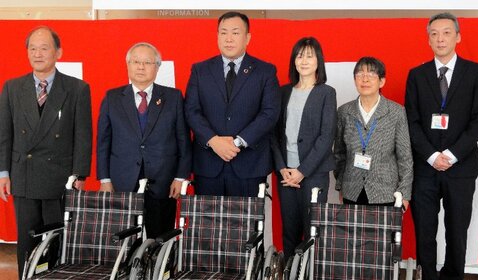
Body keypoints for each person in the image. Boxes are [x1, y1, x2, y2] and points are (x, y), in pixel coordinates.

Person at [0, 26, 92, 279]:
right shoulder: (12, 87)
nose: (37, 54)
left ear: (58, 52)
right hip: (24, 175)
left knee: (57, 239)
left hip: (60, 178)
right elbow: (4, 134)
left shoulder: (77, 89)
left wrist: (80, 175)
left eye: (44, 48)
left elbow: (83, 135)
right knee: (27, 240)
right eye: (32, 48)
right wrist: (3, 173)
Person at [405, 13, 478, 280]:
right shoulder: (416, 75)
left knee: (457, 231)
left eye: (446, 32)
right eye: (434, 33)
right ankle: (427, 276)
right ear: (428, 39)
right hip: (425, 168)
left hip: (461, 167)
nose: (440, 38)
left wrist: (451, 155)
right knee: (425, 232)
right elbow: (412, 121)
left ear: (458, 37)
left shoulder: (476, 73)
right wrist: (431, 156)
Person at [96, 42, 191, 239]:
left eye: (147, 62)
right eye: (136, 61)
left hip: (164, 181)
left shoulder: (173, 98)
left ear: (157, 66)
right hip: (122, 180)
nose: (141, 67)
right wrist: (105, 180)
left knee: (161, 238)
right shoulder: (112, 98)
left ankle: (159, 270)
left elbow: (184, 140)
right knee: (124, 238)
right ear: (128, 65)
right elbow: (103, 142)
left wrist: (180, 177)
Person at [184, 11, 280, 197]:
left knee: (246, 225)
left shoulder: (265, 71)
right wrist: (214, 141)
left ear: (247, 38)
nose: (228, 38)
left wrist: (237, 142)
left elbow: (270, 113)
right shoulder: (200, 70)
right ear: (217, 36)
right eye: (223, 32)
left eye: (235, 33)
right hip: (208, 165)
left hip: (249, 165)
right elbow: (191, 111)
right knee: (208, 224)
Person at [271, 37, 337, 261]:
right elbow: (274, 134)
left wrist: (302, 171)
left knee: (312, 230)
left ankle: (310, 273)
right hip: (285, 174)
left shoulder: (326, 93)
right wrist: (282, 168)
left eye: (310, 55)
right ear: (294, 61)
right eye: (300, 55)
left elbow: (326, 136)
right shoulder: (282, 92)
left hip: (312, 174)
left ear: (318, 60)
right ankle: (290, 271)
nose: (304, 60)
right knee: (289, 231)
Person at [334, 57, 412, 209]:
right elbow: (339, 154)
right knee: (352, 233)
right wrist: (341, 185)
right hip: (352, 191)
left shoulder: (396, 112)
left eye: (371, 75)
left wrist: (404, 192)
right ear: (355, 80)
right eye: (360, 74)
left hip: (385, 192)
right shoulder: (344, 112)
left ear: (381, 81)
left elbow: (405, 157)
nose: (365, 79)